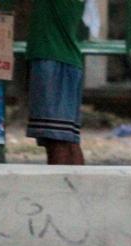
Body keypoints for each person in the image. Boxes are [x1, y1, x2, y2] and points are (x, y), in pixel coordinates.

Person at [25, 0, 85, 165]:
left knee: (57, 139)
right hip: (61, 58)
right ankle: (80, 188)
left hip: (54, 59)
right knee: (66, 139)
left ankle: (62, 187)